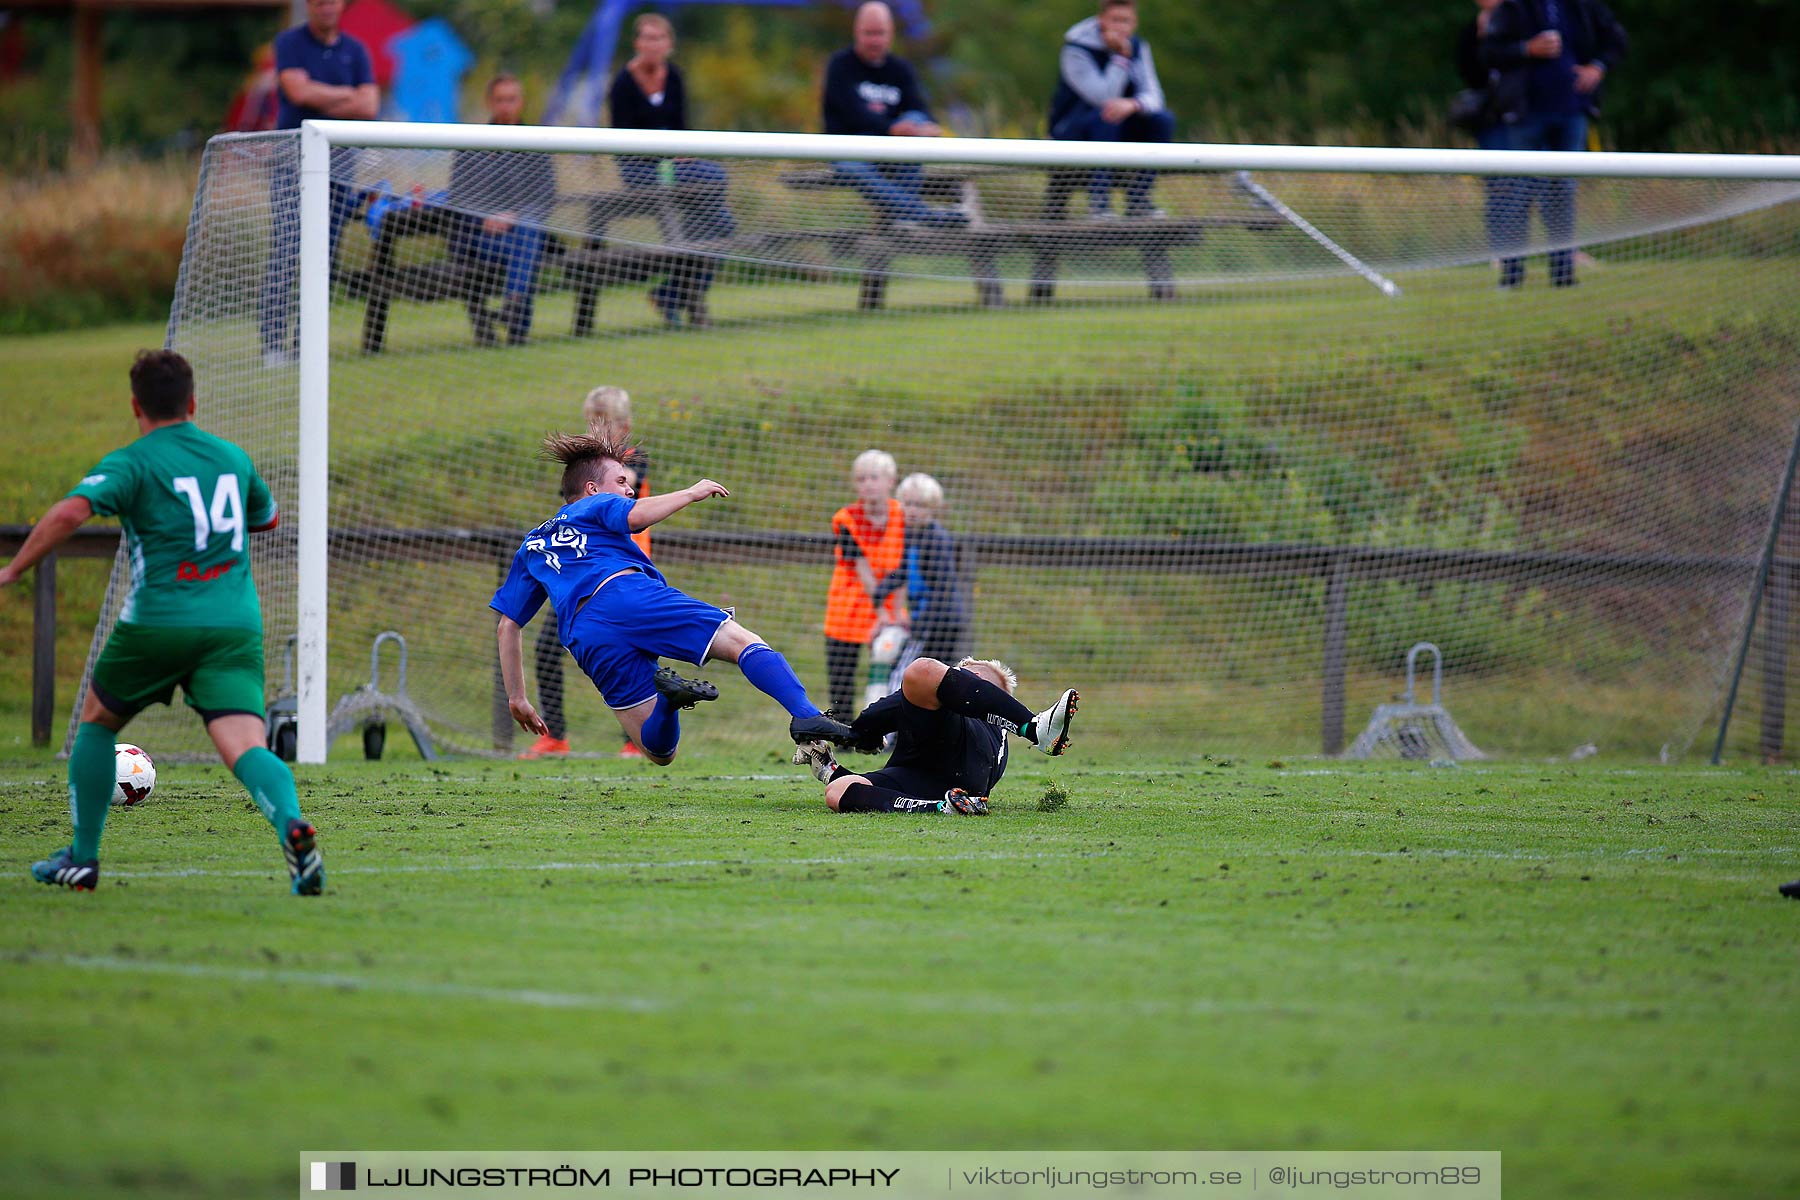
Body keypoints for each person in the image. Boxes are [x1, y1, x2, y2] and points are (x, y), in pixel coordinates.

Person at [1, 351, 324, 894]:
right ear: (192, 402)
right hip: (233, 624)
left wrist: (13, 571)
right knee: (247, 745)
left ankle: (81, 857)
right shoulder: (232, 458)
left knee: (98, 720)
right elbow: (264, 518)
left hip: (159, 619)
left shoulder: (132, 463)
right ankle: (291, 824)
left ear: (136, 406)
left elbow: (69, 513)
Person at [493, 432, 854, 762]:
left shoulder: (532, 544)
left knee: (659, 751)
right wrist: (691, 492)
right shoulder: (594, 505)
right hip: (625, 595)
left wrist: (517, 697)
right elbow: (636, 516)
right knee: (742, 642)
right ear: (591, 489)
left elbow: (508, 625)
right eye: (621, 482)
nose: (629, 489)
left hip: (584, 635)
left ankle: (669, 700)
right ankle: (807, 716)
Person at [520, 386, 654, 760]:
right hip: (581, 573)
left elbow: (621, 485)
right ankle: (555, 736)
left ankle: (637, 740)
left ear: (624, 427)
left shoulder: (631, 462)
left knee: (632, 653)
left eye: (603, 424)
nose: (595, 431)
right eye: (590, 423)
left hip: (624, 573)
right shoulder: (589, 469)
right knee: (548, 647)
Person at [793, 656, 1079, 815]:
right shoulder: (984, 730)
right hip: (937, 782)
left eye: (962, 677)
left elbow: (874, 717)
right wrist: (834, 765)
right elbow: (874, 720)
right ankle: (943, 807)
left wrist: (858, 734)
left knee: (922, 670)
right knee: (837, 792)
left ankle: (1033, 728)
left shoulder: (981, 719)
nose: (955, 679)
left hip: (961, 755)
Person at [259, 0, 378, 367]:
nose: (326, 8)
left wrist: (320, 95)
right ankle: (273, 345)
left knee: (326, 255)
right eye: (319, 2)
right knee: (286, 251)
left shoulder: (355, 50)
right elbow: (297, 92)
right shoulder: (290, 43)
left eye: (332, 2)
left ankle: (305, 345)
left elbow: (369, 106)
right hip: (291, 164)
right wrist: (345, 95)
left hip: (339, 167)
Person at [1479, 0, 1627, 288]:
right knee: (1517, 193)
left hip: (1572, 112)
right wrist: (1526, 49)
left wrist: (1598, 67)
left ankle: (1563, 274)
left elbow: (1616, 38)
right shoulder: (1512, 7)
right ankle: (1512, 275)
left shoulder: (1582, 6)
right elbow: (1487, 53)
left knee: (1562, 193)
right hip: (1525, 115)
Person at [608, 13, 736, 328]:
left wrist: (681, 151)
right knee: (716, 206)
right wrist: (668, 155)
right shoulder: (622, 84)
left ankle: (670, 293)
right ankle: (677, 292)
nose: (653, 44)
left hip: (678, 169)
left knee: (724, 224)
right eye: (647, 38)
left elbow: (682, 127)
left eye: (659, 38)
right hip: (640, 172)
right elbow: (624, 141)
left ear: (669, 43)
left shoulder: (675, 77)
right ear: (637, 43)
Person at [821, 1, 967, 229]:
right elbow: (851, 113)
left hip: (891, 154)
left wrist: (928, 126)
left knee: (916, 120)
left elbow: (919, 107)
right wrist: (890, 129)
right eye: (869, 33)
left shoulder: (901, 69)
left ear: (890, 34)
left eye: (880, 33)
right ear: (856, 32)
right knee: (853, 168)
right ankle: (924, 216)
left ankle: (897, 221)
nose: (875, 40)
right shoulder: (840, 65)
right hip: (851, 150)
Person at [446, 74, 557, 347]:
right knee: (528, 240)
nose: (506, 106)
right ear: (489, 102)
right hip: (481, 238)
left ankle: (512, 305)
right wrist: (486, 217)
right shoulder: (473, 145)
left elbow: (545, 197)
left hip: (522, 234)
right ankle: (516, 311)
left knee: (528, 230)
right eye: (500, 100)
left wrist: (514, 216)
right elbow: (459, 196)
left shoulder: (536, 143)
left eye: (512, 99)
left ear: (521, 102)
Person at [1047, 0, 1175, 219]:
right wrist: (1121, 58)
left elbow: (1155, 97)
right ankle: (1100, 204)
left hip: (1116, 132)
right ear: (1102, 20)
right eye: (1115, 20)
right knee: (1107, 116)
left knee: (1163, 119)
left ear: (1134, 23)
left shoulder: (1138, 46)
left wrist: (1134, 104)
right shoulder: (1076, 48)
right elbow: (1103, 97)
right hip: (1071, 133)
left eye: (1126, 21)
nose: (1120, 27)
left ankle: (1139, 201)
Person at [823, 449, 906, 717]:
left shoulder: (903, 515)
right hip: (848, 606)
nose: (868, 484)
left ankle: (886, 731)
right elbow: (862, 569)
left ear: (890, 480)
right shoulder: (845, 518)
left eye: (874, 477)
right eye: (861, 479)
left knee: (892, 675)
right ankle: (844, 735)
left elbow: (906, 567)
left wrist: (891, 614)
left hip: (893, 608)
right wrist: (880, 612)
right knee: (841, 678)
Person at [872, 472, 968, 686]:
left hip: (940, 623)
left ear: (933, 509)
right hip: (929, 621)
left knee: (908, 676)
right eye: (909, 504)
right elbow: (906, 569)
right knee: (931, 682)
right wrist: (883, 589)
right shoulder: (912, 534)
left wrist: (923, 622)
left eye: (920, 506)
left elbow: (942, 588)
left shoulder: (936, 540)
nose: (913, 511)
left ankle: (901, 715)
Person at [1455, 0, 1511, 270]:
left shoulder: (1526, 22)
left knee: (1551, 184)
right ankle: (1501, 253)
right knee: (1499, 186)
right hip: (1493, 120)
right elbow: (1469, 71)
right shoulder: (1475, 29)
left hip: (1530, 115)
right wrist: (1480, 38)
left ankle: (1563, 252)